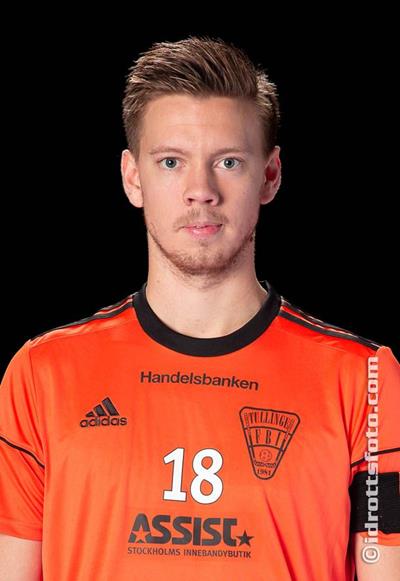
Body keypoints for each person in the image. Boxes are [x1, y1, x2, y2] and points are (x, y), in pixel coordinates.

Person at [0, 35, 399, 581]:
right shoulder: (41, 375)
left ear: (270, 175)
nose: (200, 190)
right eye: (171, 162)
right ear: (132, 177)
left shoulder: (367, 381)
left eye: (228, 162)